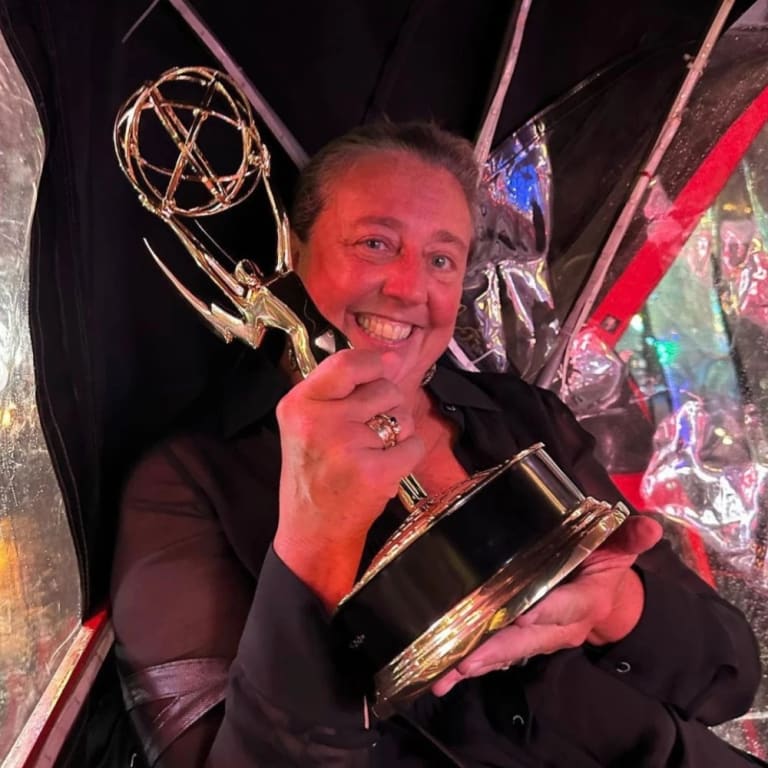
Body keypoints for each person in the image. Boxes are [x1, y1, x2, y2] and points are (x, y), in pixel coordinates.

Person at [111, 122, 763, 767]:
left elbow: (729, 675)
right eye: (374, 243)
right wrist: (314, 550)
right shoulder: (191, 481)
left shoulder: (520, 416)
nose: (409, 289)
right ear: (293, 248)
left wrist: (616, 609)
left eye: (442, 258)